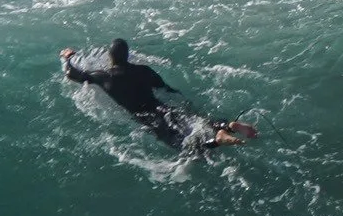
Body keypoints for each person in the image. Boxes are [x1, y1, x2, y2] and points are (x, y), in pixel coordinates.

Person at [60, 38, 256, 152]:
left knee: (183, 146)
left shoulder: (103, 77)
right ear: (127, 56)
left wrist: (68, 57)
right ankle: (227, 125)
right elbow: (165, 88)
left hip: (146, 117)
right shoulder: (143, 70)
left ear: (110, 58)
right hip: (161, 107)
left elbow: (72, 74)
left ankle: (218, 140)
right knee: (197, 121)